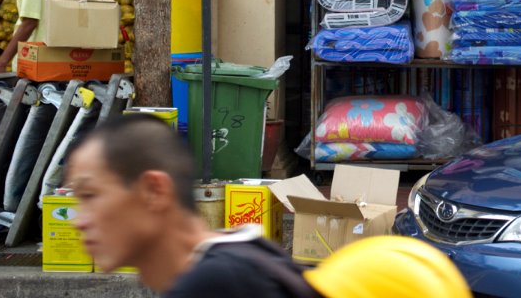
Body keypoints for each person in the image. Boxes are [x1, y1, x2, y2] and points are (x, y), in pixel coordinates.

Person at [65, 114, 472, 298]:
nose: (78, 221)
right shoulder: (244, 251)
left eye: (90, 195)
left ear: (154, 191)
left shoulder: (215, 286)